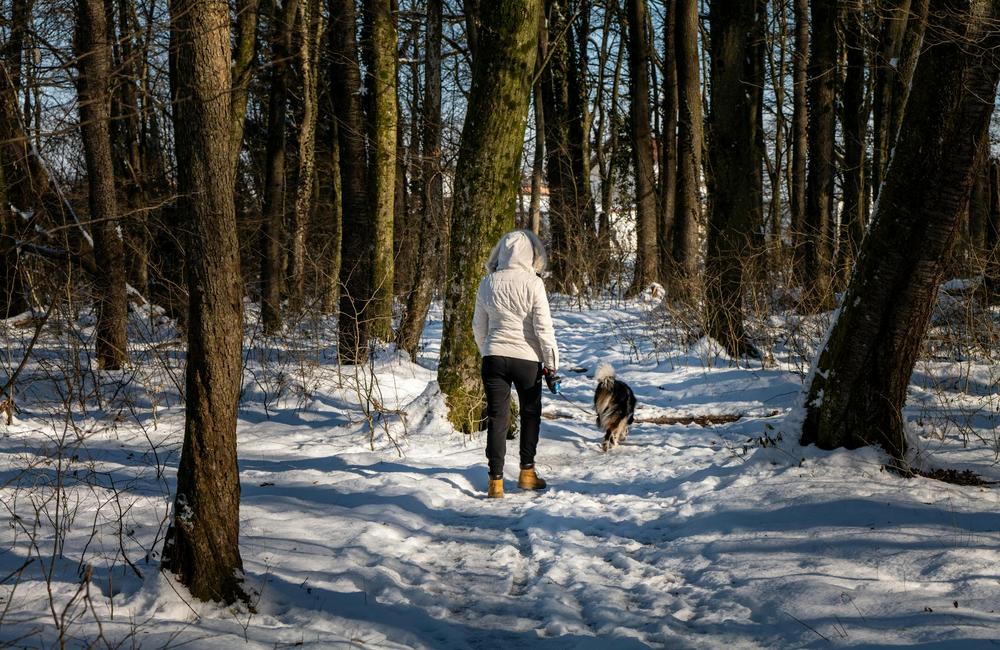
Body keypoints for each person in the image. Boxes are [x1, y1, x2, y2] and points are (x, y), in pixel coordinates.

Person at [473, 229, 559, 499]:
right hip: (527, 360)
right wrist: (551, 363)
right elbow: (543, 328)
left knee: (498, 418)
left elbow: (478, 326)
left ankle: (495, 482)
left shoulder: (488, 282)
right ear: (532, 253)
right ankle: (527, 473)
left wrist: (487, 350)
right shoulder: (533, 283)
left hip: (494, 357)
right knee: (530, 413)